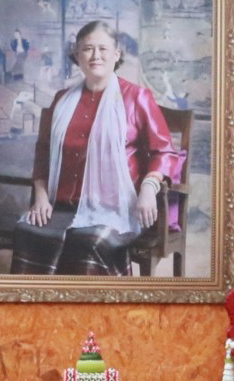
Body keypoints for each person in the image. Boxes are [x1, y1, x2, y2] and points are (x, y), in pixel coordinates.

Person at [15, 20, 185, 276]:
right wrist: (40, 196)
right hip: (60, 204)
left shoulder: (137, 97)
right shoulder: (62, 100)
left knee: (87, 242)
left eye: (103, 49)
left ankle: (96, 314)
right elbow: (43, 154)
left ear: (116, 54)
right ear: (77, 55)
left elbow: (165, 151)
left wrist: (149, 188)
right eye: (87, 49)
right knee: (29, 232)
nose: (95, 56)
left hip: (117, 208)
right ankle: (42, 313)